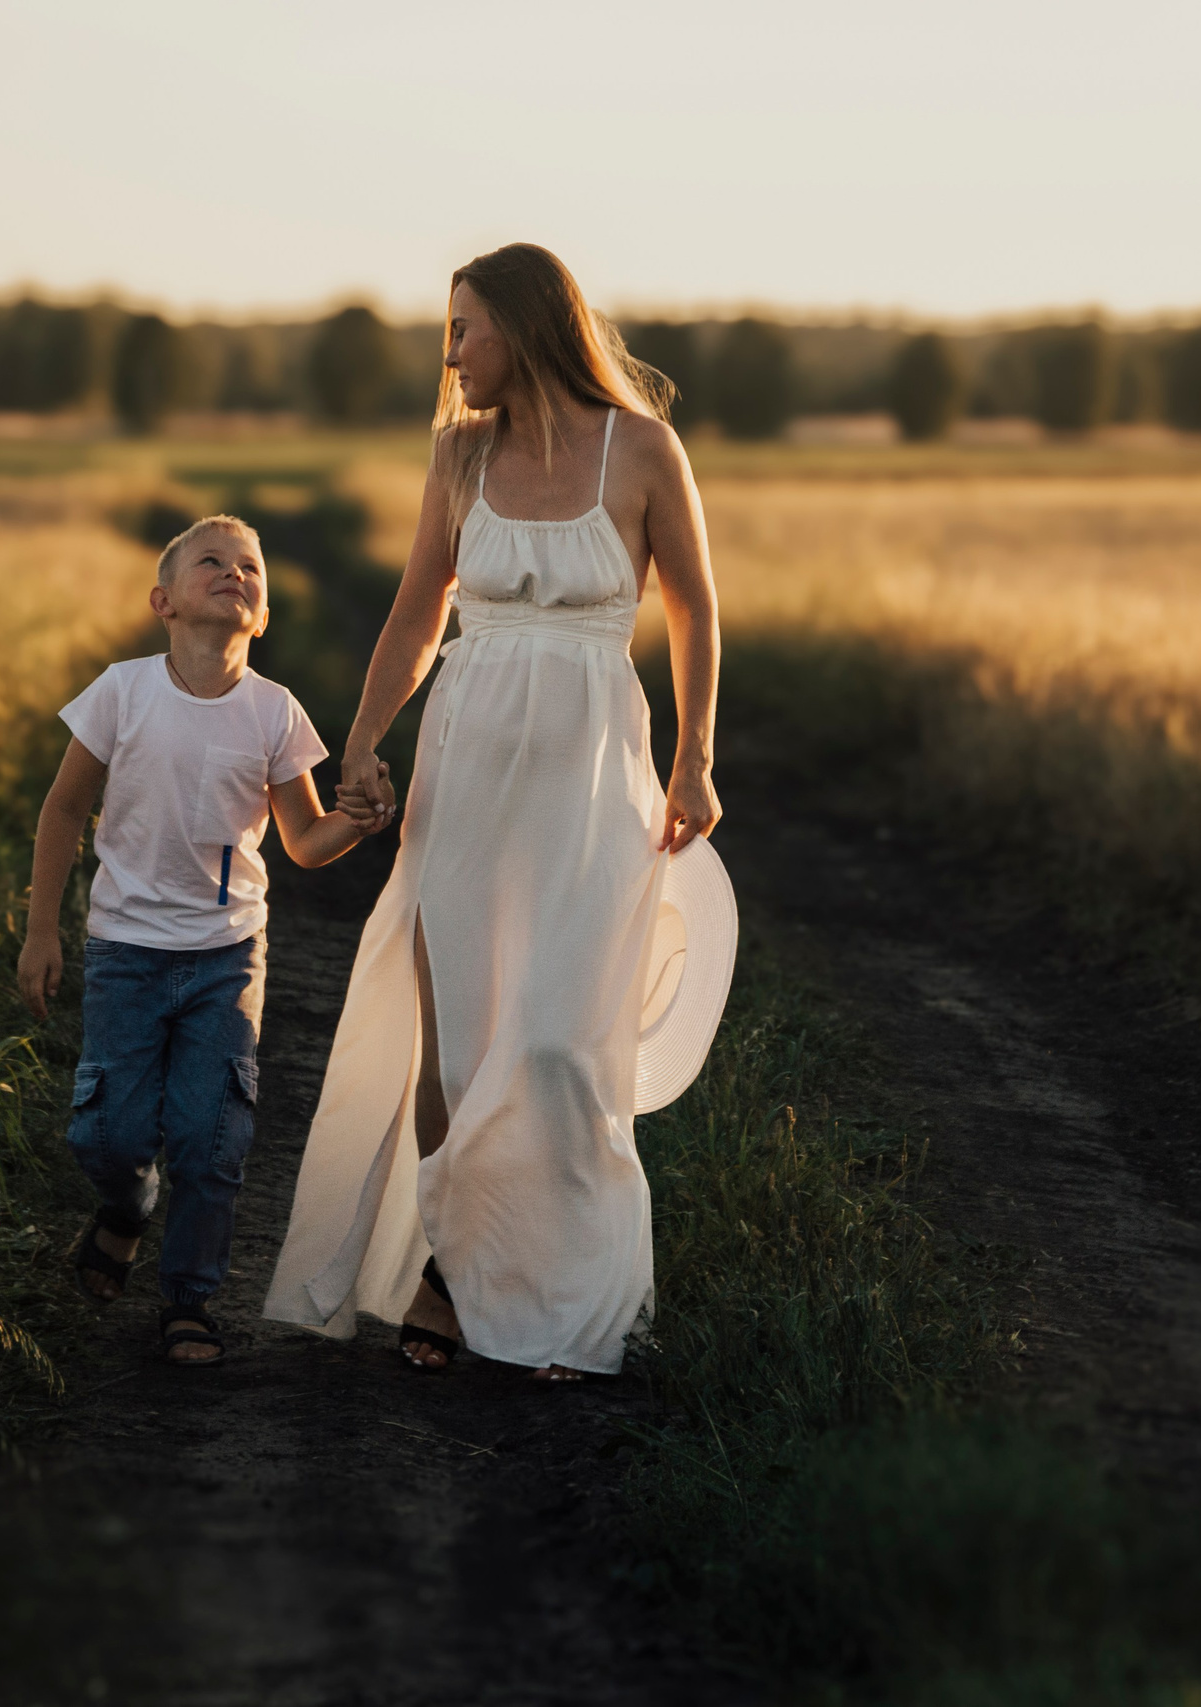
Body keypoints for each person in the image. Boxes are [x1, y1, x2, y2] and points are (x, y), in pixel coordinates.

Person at [263, 243, 722, 1381]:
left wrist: (695, 760)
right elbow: (419, 611)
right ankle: (454, 1268)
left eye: (463, 328)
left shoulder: (642, 450)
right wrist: (362, 740)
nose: (452, 353)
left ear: (524, 325)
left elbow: (695, 612)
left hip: (591, 778)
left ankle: (575, 1302)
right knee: (458, 1047)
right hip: (464, 768)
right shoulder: (459, 455)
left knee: (562, 1042)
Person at [19, 515, 389, 1366]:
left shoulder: (274, 711)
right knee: (107, 1136)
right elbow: (64, 808)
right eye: (210, 562)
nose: (234, 573)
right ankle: (125, 1207)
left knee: (211, 1136)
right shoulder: (120, 692)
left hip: (226, 957)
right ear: (164, 603)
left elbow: (305, 841)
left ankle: (188, 1296)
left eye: (249, 567)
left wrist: (359, 821)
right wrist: (42, 930)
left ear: (264, 615)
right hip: (124, 949)